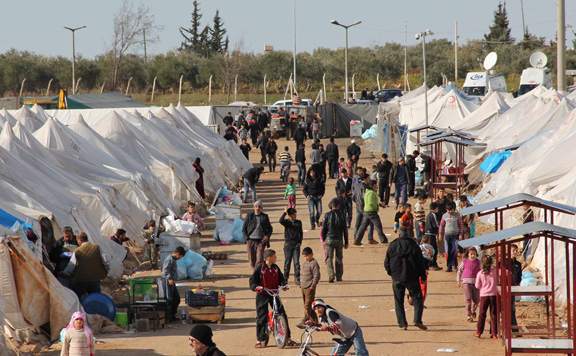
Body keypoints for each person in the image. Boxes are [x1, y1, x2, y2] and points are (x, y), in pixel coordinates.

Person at [385, 224, 428, 330]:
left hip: (397, 277)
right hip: (412, 277)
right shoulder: (414, 245)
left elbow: (386, 262)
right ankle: (417, 320)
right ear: (409, 234)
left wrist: (391, 273)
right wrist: (423, 276)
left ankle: (402, 324)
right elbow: (420, 262)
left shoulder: (393, 245)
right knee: (418, 298)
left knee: (398, 301)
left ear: (399, 234)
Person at [249, 249, 295, 348]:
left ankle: (288, 338)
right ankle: (260, 339)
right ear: (268, 258)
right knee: (261, 317)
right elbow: (252, 281)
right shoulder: (260, 268)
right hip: (263, 294)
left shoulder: (275, 268)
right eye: (274, 256)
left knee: (282, 313)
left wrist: (284, 285)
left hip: (273, 293)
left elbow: (281, 279)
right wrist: (256, 287)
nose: (276, 258)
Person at [69, 232, 108, 298]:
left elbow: (71, 265)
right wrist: (106, 270)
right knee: (96, 298)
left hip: (81, 279)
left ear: (79, 240)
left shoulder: (77, 251)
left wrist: (65, 273)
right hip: (95, 278)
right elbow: (106, 261)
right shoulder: (97, 247)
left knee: (77, 297)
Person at [321, 198, 349, 283]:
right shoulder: (342, 215)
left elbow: (324, 229)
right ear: (338, 205)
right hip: (339, 239)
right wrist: (346, 241)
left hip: (329, 239)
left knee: (329, 258)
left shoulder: (327, 215)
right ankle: (339, 276)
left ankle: (331, 275)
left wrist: (323, 239)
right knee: (339, 258)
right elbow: (345, 230)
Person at [355, 181, 388, 245]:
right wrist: (376, 207)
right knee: (378, 226)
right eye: (375, 185)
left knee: (363, 226)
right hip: (372, 212)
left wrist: (380, 205)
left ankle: (357, 240)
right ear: (372, 186)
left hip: (366, 211)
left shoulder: (367, 192)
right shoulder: (371, 193)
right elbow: (371, 203)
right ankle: (383, 239)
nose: (377, 186)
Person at [243, 200, 273, 269]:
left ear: (262, 208)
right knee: (252, 260)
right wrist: (246, 239)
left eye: (259, 207)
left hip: (261, 241)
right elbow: (244, 228)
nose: (257, 208)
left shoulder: (264, 217)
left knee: (259, 259)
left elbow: (270, 228)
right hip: (251, 240)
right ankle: (255, 273)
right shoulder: (249, 216)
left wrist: (267, 236)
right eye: (256, 206)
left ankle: (257, 273)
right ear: (254, 207)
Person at [475, 255, 498, 338]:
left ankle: (479, 332)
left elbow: (477, 286)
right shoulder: (495, 271)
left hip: (484, 295)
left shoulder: (480, 273)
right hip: (493, 295)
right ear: (491, 262)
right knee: (494, 314)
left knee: (482, 314)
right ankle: (494, 333)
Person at [279, 208, 303, 284]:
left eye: (295, 214)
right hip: (288, 245)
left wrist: (300, 242)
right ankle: (285, 278)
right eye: (293, 214)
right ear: (290, 215)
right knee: (287, 262)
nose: (295, 215)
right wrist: (284, 213)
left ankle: (297, 278)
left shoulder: (298, 222)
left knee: (296, 262)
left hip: (296, 244)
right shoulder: (286, 222)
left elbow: (301, 233)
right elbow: (280, 221)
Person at [457, 248, 481, 322]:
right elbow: (459, 271)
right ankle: (468, 315)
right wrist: (458, 280)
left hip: (476, 283)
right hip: (466, 283)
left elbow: (482, 272)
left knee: (477, 300)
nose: (473, 255)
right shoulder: (464, 262)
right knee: (468, 299)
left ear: (476, 254)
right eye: (471, 254)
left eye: (474, 254)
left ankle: (473, 311)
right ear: (468, 254)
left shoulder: (479, 262)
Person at [298, 247, 320, 328]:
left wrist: (313, 286)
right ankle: (315, 322)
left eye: (307, 255)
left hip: (309, 287)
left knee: (307, 305)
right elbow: (302, 274)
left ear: (311, 254)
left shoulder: (314, 263)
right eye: (305, 256)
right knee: (309, 305)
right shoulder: (305, 263)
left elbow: (316, 275)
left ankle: (304, 320)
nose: (306, 257)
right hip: (303, 287)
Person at [439, 202, 464, 272]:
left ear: (454, 209)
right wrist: (440, 234)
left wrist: (460, 234)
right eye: (448, 210)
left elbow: (461, 226)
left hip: (455, 236)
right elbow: (441, 225)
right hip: (447, 236)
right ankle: (449, 266)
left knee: (454, 250)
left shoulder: (457, 215)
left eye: (451, 210)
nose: (449, 211)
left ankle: (455, 265)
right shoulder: (444, 216)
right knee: (448, 251)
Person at [162, 246, 185, 321]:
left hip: (172, 282)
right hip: (167, 281)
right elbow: (165, 270)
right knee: (169, 299)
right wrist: (169, 278)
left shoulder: (174, 259)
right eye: (180, 256)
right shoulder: (169, 259)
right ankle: (168, 317)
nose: (180, 258)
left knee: (176, 299)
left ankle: (172, 315)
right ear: (177, 253)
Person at [425, 203, 442, 271]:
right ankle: (432, 264)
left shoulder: (429, 215)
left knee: (431, 250)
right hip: (431, 234)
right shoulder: (433, 215)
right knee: (433, 250)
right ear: (435, 208)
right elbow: (436, 225)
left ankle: (431, 264)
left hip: (429, 234)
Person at [510, 244, 522, 331]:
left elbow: (519, 276)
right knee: (502, 309)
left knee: (512, 309)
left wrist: (517, 284)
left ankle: (514, 329)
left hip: (513, 289)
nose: (515, 252)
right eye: (513, 250)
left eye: (516, 250)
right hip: (504, 289)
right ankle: (495, 330)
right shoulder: (504, 263)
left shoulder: (518, 264)